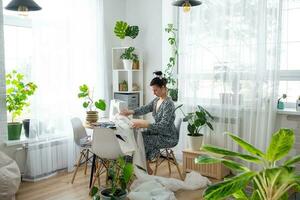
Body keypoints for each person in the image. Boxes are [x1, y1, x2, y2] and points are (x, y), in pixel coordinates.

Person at [120, 71, 177, 175]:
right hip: (158, 133)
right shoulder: (157, 100)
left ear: (163, 88)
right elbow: (146, 108)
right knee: (139, 136)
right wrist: (130, 112)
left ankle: (145, 168)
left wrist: (145, 124)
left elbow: (163, 126)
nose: (153, 92)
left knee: (144, 140)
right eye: (152, 90)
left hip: (168, 136)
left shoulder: (169, 104)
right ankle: (139, 167)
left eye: (155, 90)